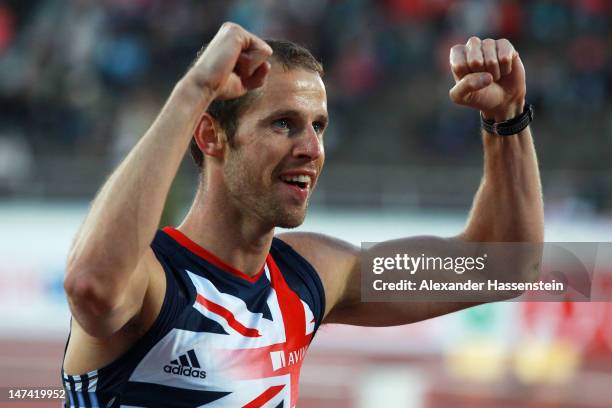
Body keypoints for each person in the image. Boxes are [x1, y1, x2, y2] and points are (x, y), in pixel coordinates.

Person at [61, 22, 543, 407]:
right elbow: (91, 286)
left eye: (319, 126)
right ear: (210, 136)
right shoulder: (155, 281)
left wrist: (509, 118)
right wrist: (195, 90)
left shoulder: (310, 275)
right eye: (284, 124)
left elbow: (501, 266)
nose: (311, 149)